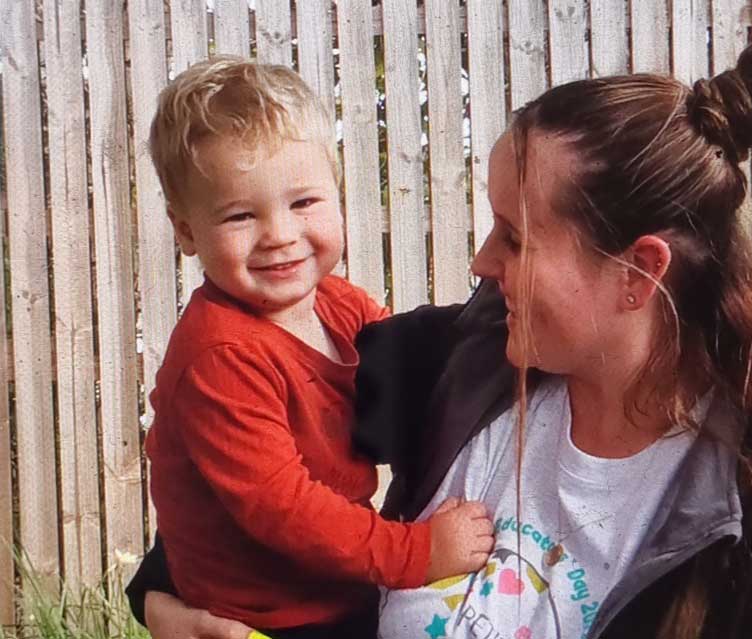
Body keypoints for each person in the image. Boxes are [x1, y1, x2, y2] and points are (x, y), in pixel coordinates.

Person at [129, 38, 752, 638]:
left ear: (638, 272)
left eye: (514, 237)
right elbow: (248, 483)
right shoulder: (463, 361)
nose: (480, 262)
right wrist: (163, 595)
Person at [136, 56, 494, 639]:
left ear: (336, 193)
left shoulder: (338, 304)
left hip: (332, 585)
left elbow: (411, 376)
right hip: (265, 616)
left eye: (303, 203)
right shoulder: (221, 356)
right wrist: (418, 553)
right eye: (239, 215)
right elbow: (286, 510)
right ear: (185, 231)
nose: (279, 234)